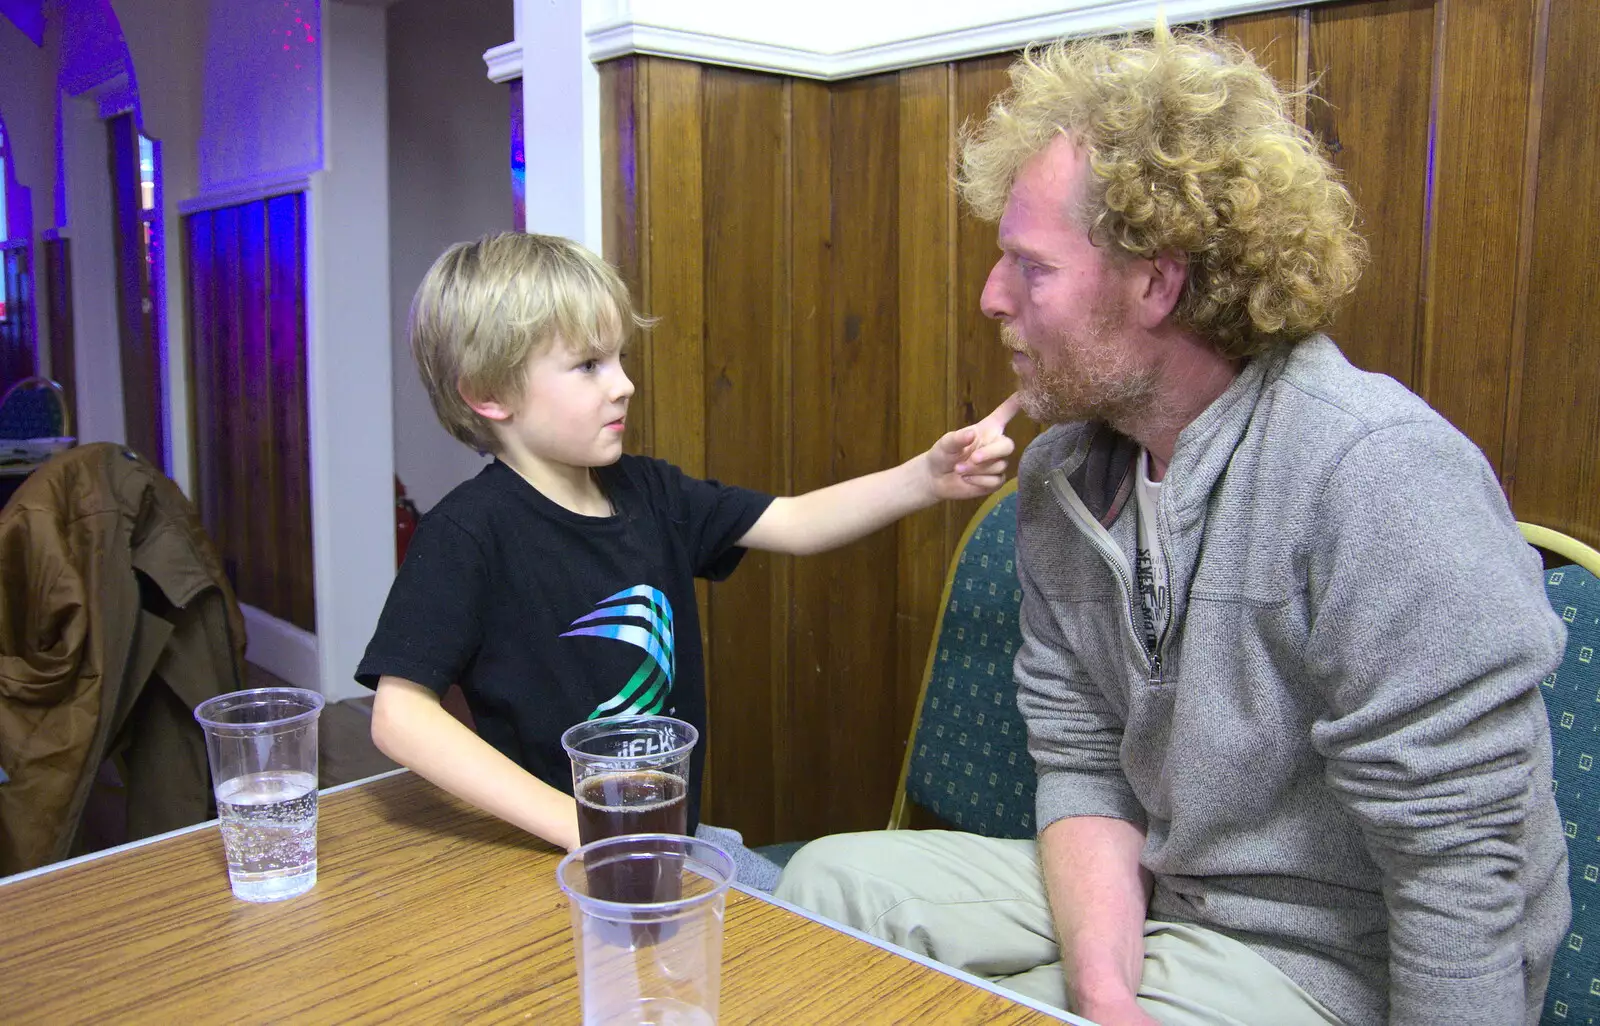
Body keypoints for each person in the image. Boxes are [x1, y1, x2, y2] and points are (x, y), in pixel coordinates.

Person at [773, 23, 1568, 1026]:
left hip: (1334, 953)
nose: (989, 298)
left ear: (1158, 279)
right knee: (827, 890)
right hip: (1169, 885)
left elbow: (1460, 867)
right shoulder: (1064, 473)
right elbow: (1081, 760)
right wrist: (1105, 996)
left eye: (1031, 266)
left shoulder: (1378, 473)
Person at [356, 232, 1019, 878]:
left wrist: (927, 480)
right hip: (546, 858)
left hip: (674, 844)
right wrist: (586, 832)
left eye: (619, 359)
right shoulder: (468, 534)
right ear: (488, 393)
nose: (624, 385)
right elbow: (400, 716)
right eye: (588, 366)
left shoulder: (650, 492)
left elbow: (794, 521)